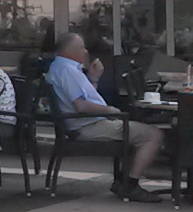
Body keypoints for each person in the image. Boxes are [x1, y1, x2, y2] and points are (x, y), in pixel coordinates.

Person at [46, 30, 164, 201]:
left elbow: (83, 99)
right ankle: (130, 186)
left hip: (86, 123)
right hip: (88, 126)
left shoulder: (62, 68)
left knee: (137, 132)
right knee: (153, 135)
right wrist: (109, 110)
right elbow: (81, 106)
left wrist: (93, 78)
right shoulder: (67, 71)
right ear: (68, 51)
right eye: (82, 48)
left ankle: (122, 181)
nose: (86, 51)